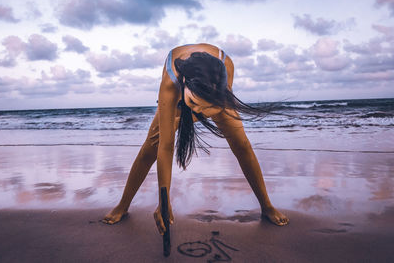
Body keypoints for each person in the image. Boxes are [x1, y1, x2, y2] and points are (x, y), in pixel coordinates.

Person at [101, 43, 289, 234]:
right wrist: (163, 202)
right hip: (181, 97)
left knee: (242, 145)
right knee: (151, 147)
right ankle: (123, 206)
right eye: (193, 104)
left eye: (202, 108)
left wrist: (183, 120)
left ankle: (267, 206)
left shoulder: (225, 69)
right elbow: (166, 147)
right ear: (184, 83)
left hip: (214, 101)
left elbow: (214, 107)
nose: (198, 112)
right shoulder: (171, 82)